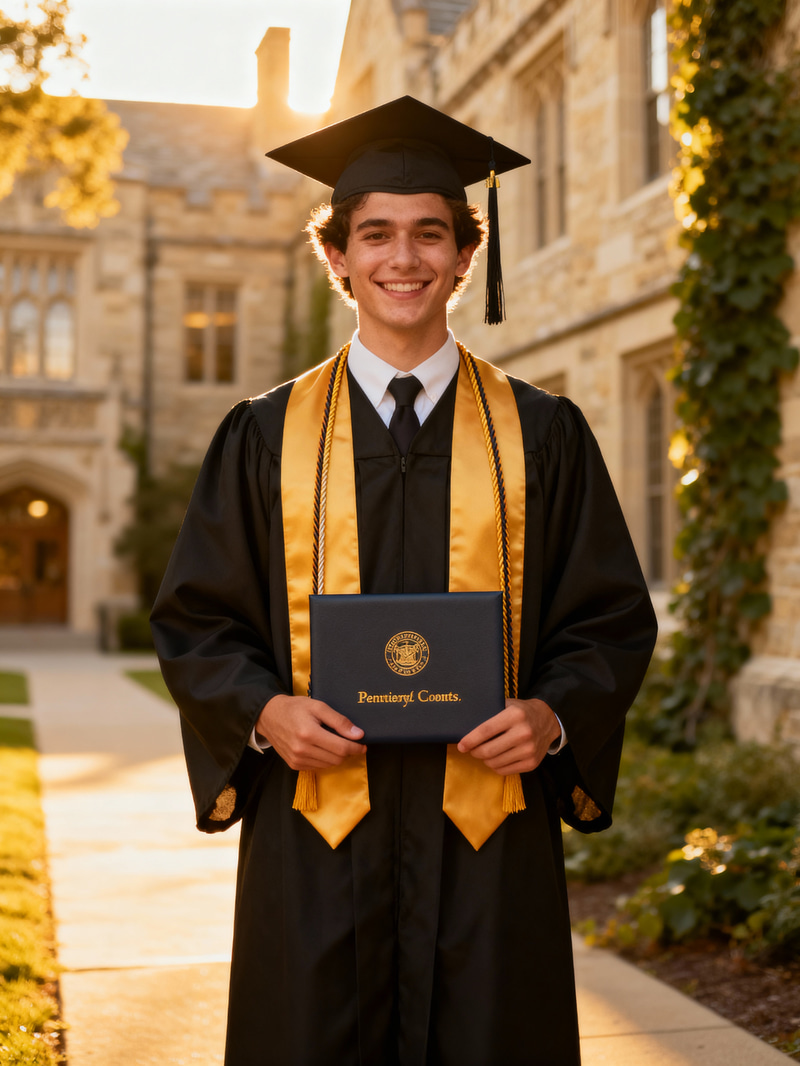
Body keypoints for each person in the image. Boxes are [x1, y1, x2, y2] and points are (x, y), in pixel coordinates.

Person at [151, 96, 658, 1066]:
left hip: (485, 838)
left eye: (430, 233)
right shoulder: (263, 436)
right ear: (334, 255)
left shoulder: (540, 433)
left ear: (465, 256)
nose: (403, 258)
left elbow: (607, 619)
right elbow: (196, 621)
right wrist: (262, 712)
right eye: (374, 233)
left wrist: (551, 714)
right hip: (317, 835)